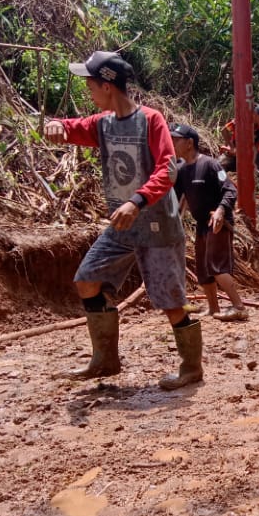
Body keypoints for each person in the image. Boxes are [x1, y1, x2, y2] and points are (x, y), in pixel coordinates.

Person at [43, 50, 201, 390]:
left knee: (171, 301)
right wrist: (57, 124)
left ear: (107, 86)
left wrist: (136, 201)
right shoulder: (103, 124)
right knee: (87, 280)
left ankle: (191, 367)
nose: (89, 92)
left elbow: (168, 170)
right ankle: (105, 361)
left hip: (157, 224)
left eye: (90, 86)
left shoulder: (151, 120)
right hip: (122, 225)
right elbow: (72, 127)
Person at [170, 123, 249, 322]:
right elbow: (175, 198)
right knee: (203, 268)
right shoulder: (181, 169)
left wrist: (221, 211)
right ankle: (213, 307)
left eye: (176, 140)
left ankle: (239, 307)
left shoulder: (211, 165)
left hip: (218, 222)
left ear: (189, 143)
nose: (172, 144)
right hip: (201, 223)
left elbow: (230, 190)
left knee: (217, 266)